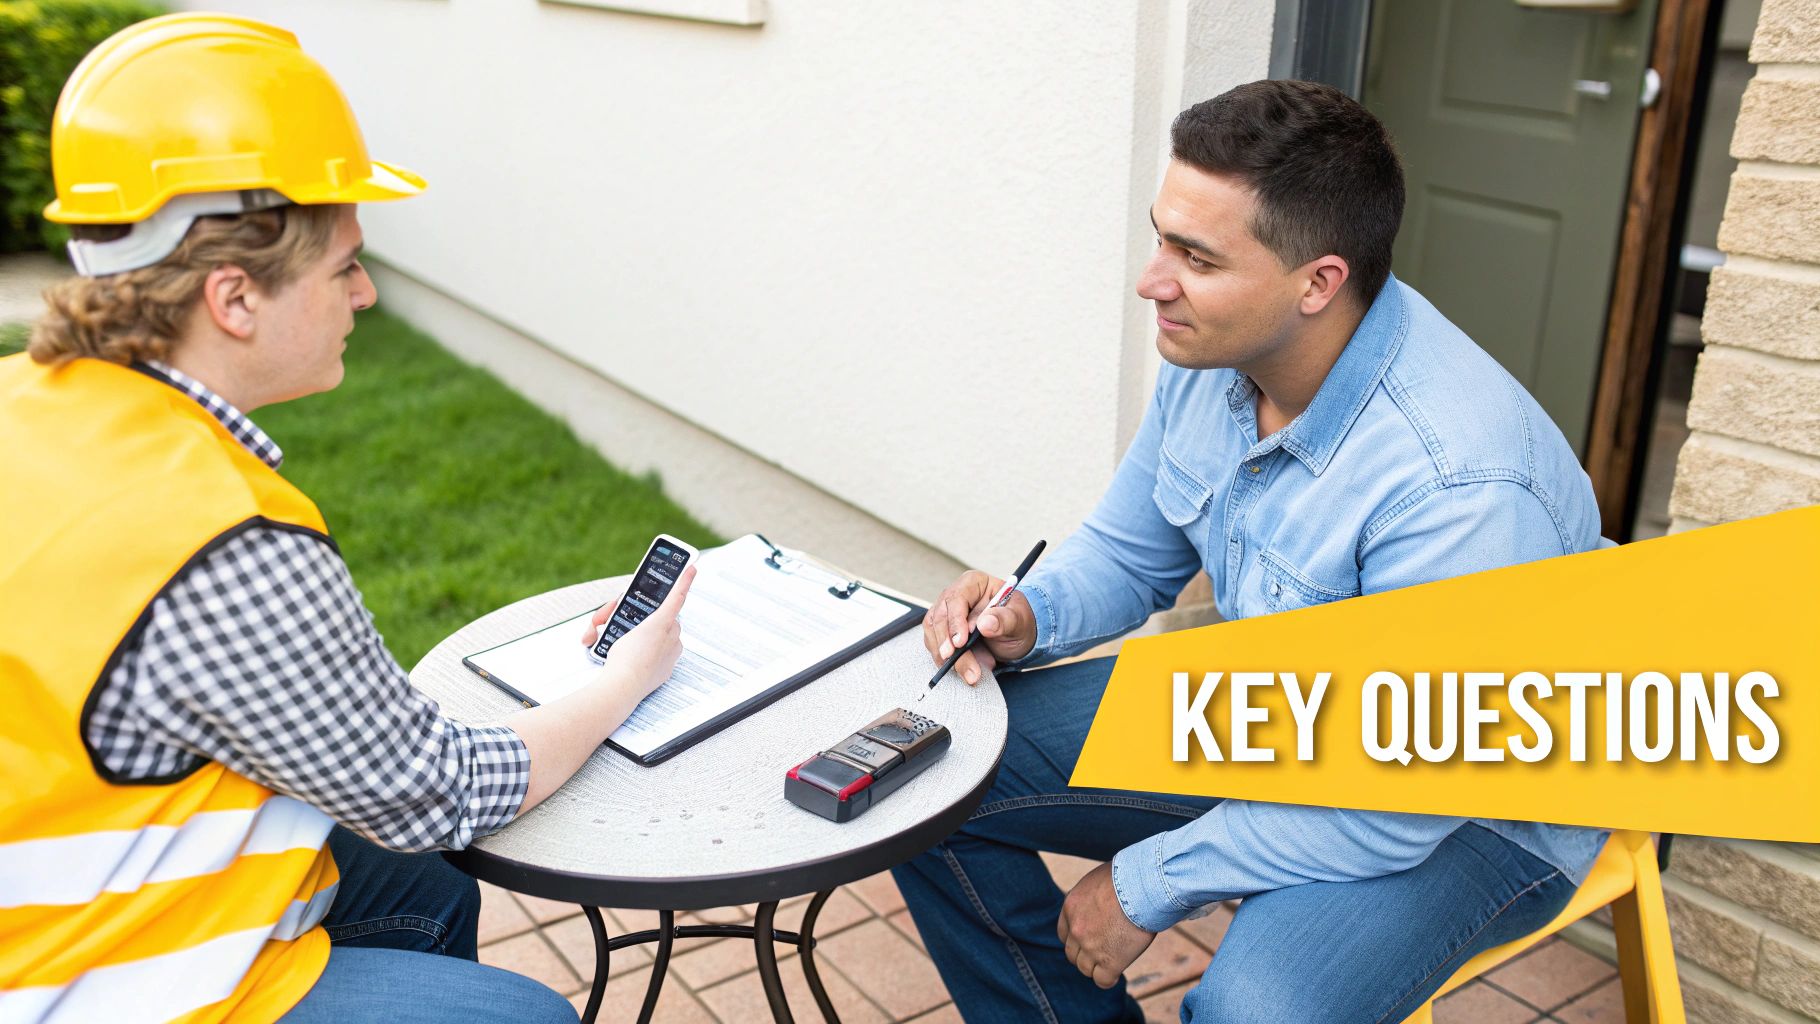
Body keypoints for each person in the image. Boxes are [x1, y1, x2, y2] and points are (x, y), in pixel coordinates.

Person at [0, 14, 692, 1023]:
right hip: (88, 985)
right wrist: (626, 677)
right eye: (343, 266)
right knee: (530, 1016)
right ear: (234, 297)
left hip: (42, 888)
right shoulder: (219, 542)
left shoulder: (28, 399)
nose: (364, 294)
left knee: (424, 888)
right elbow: (436, 790)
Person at [895, 79, 1611, 1023]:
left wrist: (1145, 884)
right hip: (1284, 717)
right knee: (922, 777)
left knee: (1253, 1012)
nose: (1153, 281)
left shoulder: (1459, 483)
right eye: (1162, 238)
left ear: (1318, 282)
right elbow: (1130, 551)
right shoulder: (1219, 353)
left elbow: (1399, 799)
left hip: (1473, 802)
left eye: (1196, 257)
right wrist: (1029, 617)